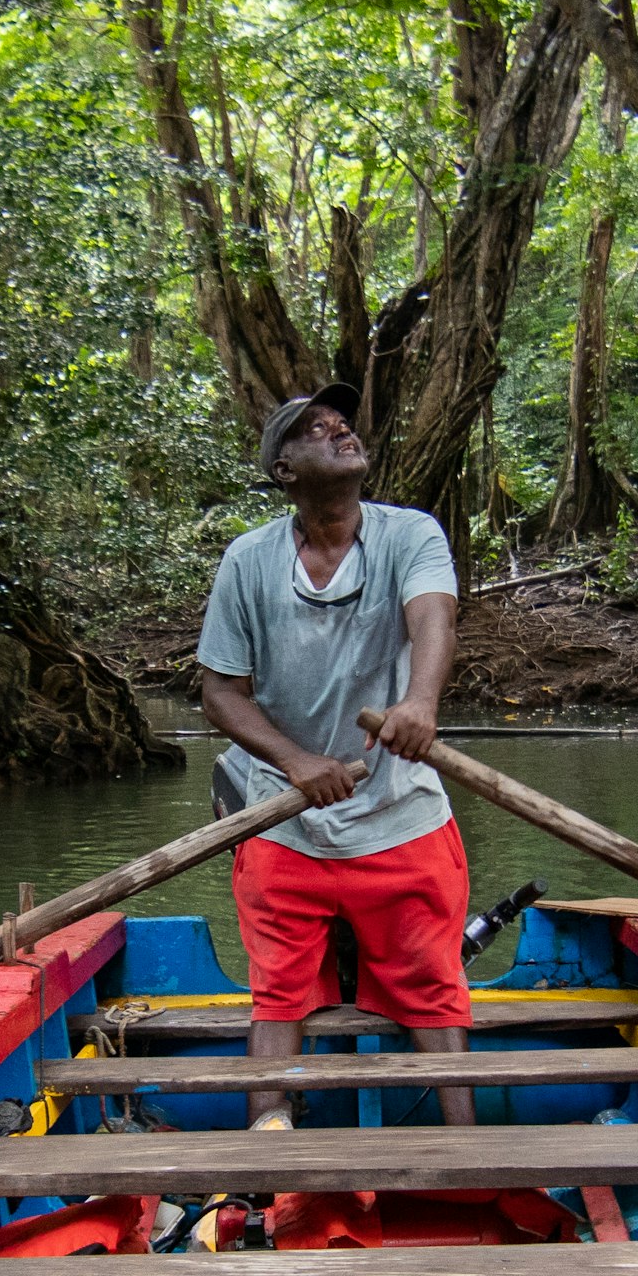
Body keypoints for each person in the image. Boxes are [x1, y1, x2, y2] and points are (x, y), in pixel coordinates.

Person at [194, 382, 480, 1131]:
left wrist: (419, 704)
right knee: (279, 989)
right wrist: (294, 760)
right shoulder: (249, 561)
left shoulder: (409, 534)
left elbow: (433, 619)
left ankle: (470, 1146)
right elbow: (219, 692)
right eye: (315, 429)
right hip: (284, 816)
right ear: (283, 470)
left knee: (432, 985)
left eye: (343, 422)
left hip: (400, 813)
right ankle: (267, 1143)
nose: (339, 429)